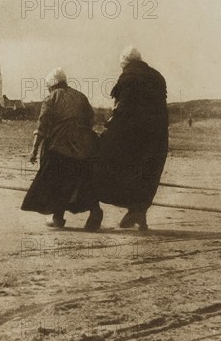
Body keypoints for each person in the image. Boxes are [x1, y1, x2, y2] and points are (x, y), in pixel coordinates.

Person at [95, 46, 168, 230]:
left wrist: (109, 127)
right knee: (146, 173)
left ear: (125, 63)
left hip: (132, 135)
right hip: (156, 137)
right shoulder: (157, 76)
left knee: (107, 163)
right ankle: (139, 212)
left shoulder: (128, 76)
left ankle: (95, 206)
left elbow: (123, 108)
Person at [21, 67, 103, 231]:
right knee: (81, 183)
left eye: (48, 88)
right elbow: (90, 120)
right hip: (84, 150)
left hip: (59, 148)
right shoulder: (81, 97)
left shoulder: (51, 98)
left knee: (55, 182)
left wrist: (34, 150)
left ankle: (58, 216)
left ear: (52, 86)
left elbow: (42, 126)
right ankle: (94, 211)